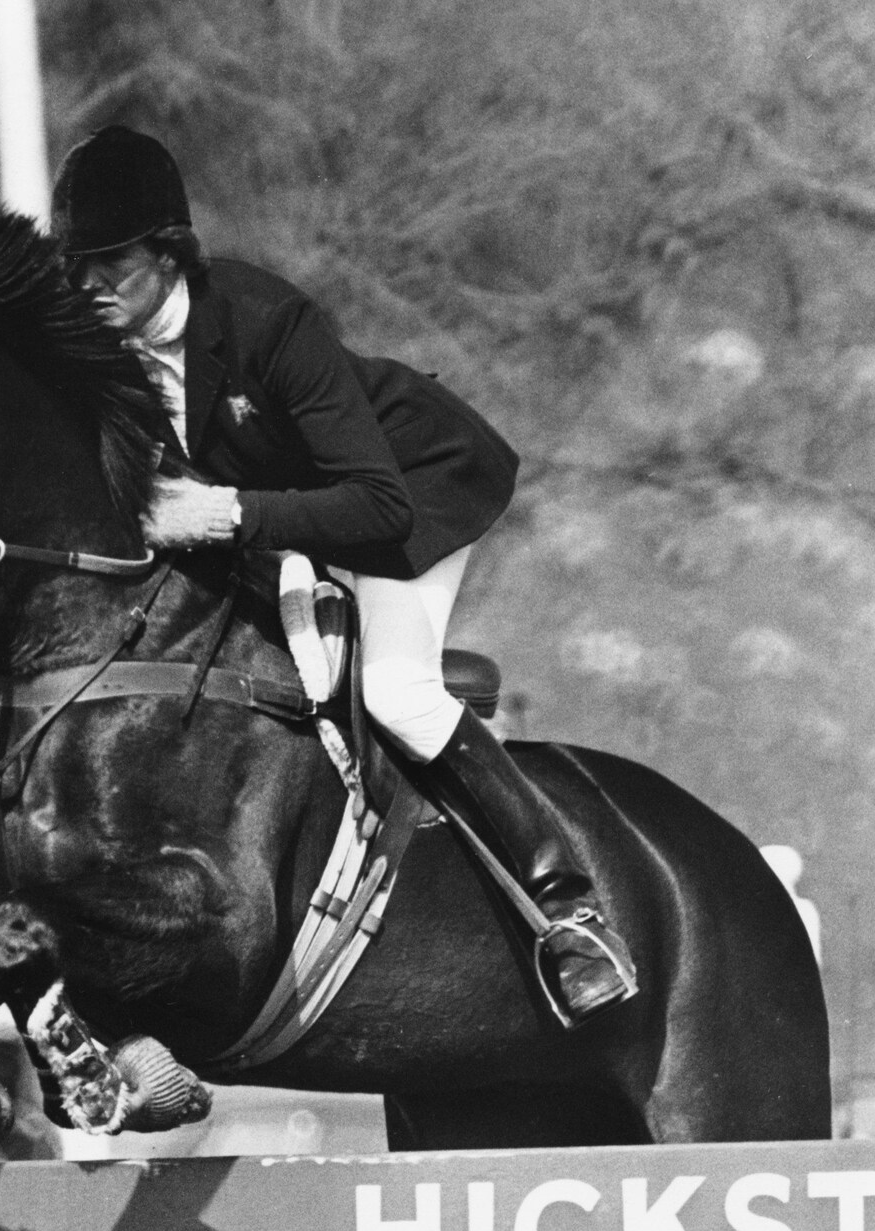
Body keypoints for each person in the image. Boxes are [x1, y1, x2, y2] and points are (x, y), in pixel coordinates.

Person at [50, 125, 636, 1025]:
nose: (88, 290)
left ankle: (570, 910)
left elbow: (375, 506)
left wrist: (227, 514)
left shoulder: (263, 319)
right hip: (287, 522)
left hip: (412, 490)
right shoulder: (104, 350)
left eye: (108, 268)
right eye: (74, 269)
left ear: (168, 254)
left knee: (396, 689)